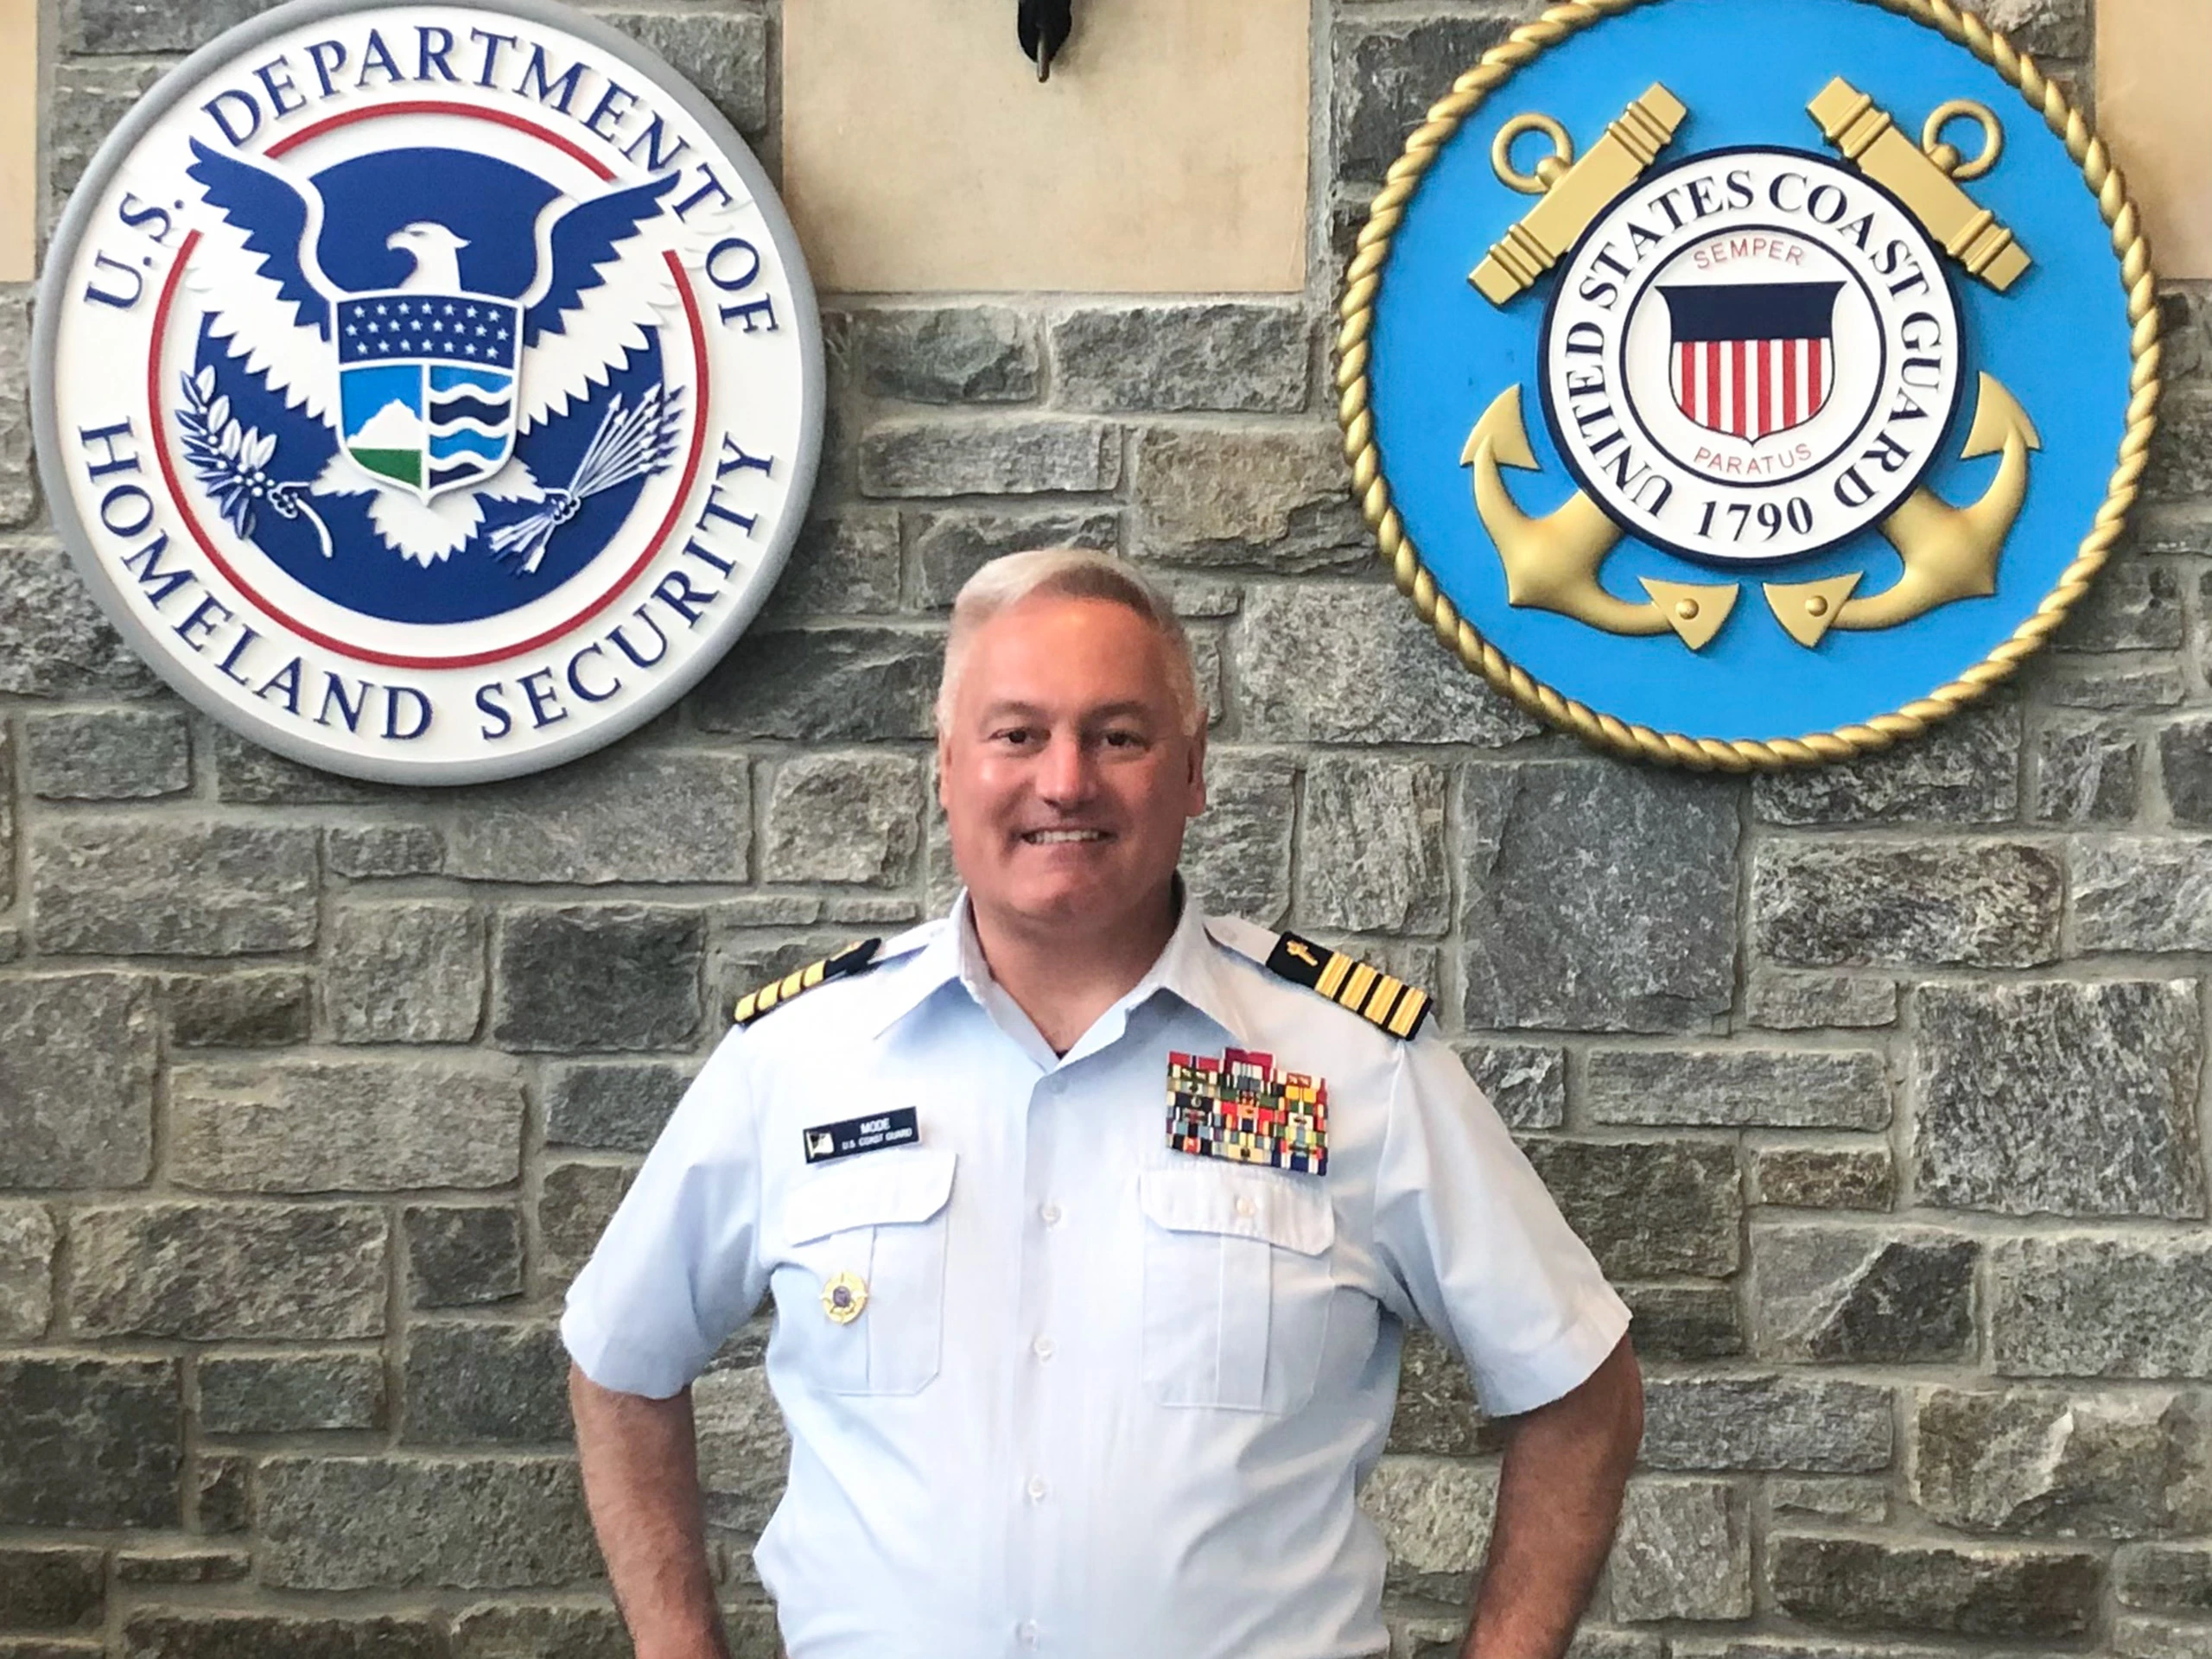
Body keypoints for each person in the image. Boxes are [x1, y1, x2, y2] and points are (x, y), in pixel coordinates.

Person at [563, 548, 1643, 1659]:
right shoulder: (799, 1061)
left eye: (1116, 736)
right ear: (946, 765)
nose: (1065, 781)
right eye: (1016, 734)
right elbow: (618, 1360)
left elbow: (1578, 1388)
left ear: (1192, 771)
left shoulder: (1351, 1065)